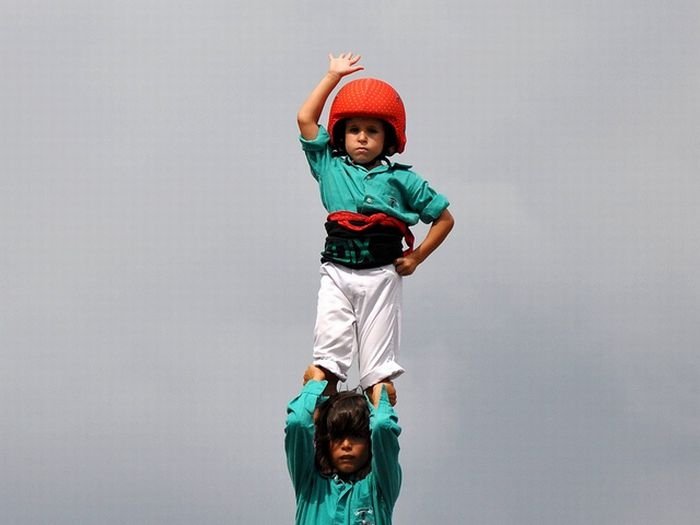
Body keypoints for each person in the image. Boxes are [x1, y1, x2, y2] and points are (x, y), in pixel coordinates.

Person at [298, 53, 455, 394]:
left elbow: (444, 218)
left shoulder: (403, 180)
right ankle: (323, 385)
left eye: (372, 131)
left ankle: (378, 394)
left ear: (387, 137)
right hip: (338, 270)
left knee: (377, 359)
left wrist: (416, 257)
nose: (362, 137)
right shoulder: (330, 167)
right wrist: (332, 77)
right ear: (342, 134)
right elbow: (305, 119)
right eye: (354, 130)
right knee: (330, 343)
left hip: (382, 275)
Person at [285, 365, 401, 525]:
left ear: (370, 442)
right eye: (338, 437)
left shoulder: (378, 489)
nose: (346, 445)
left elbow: (382, 426)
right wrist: (315, 383)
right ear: (326, 442)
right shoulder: (310, 487)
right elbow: (297, 423)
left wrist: (379, 395)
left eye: (357, 436)